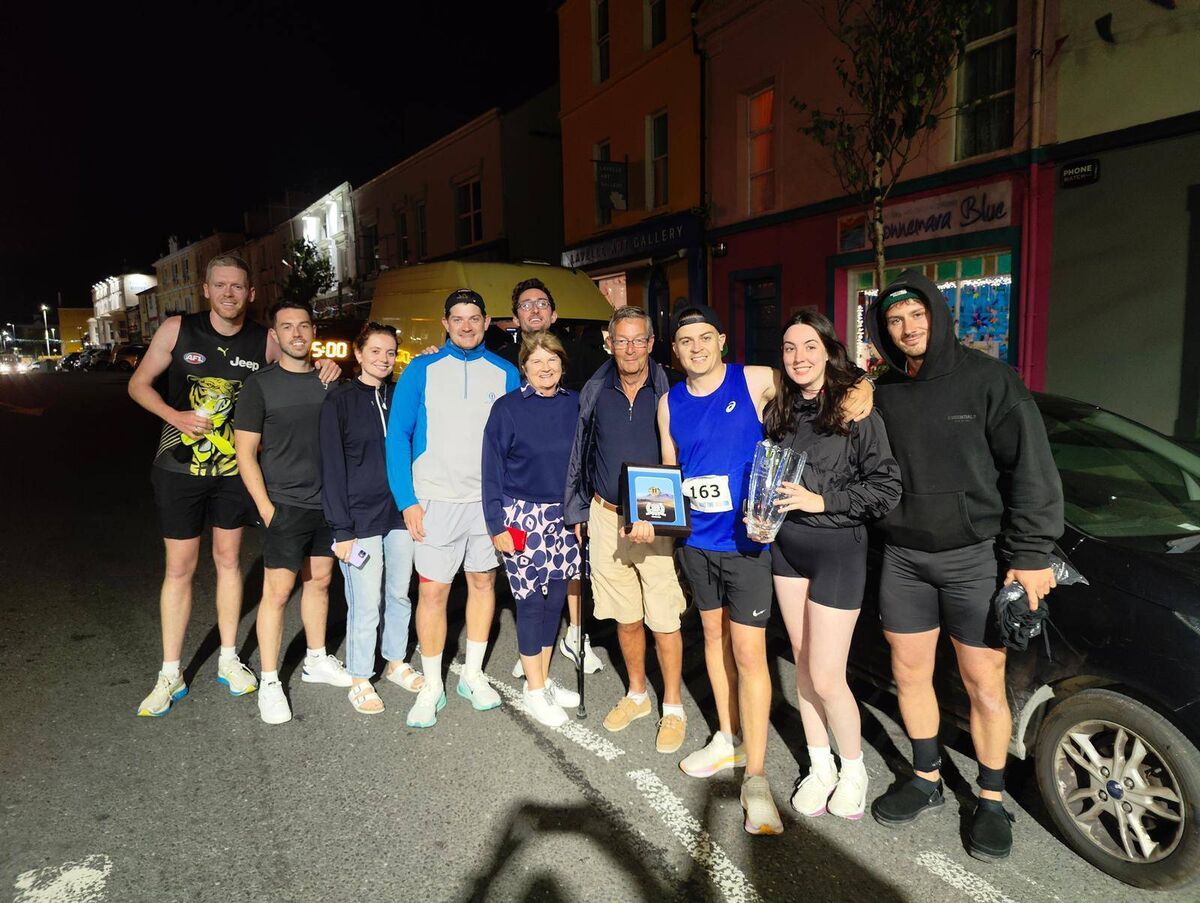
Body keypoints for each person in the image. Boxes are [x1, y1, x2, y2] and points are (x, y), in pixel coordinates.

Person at [865, 271, 1063, 861]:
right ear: (884, 329)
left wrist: (1030, 555)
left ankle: (991, 798)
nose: (907, 329)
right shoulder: (885, 392)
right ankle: (927, 779)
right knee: (909, 675)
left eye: (917, 316)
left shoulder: (990, 381)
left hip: (972, 560)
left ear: (938, 314)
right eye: (895, 321)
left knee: (984, 686)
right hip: (903, 559)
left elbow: (1031, 470)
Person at [129, 255, 338, 718]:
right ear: (206, 289)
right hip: (178, 469)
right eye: (220, 285)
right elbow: (138, 385)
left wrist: (326, 366)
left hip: (233, 475)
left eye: (237, 286)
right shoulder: (178, 330)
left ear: (250, 292)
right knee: (180, 568)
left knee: (228, 562)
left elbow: (294, 364)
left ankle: (228, 659)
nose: (228, 293)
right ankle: (170, 672)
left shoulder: (262, 338)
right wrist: (174, 415)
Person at [763, 310, 902, 821]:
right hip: (786, 550)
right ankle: (819, 766)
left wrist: (820, 501)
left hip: (838, 550)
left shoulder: (854, 408)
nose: (798, 358)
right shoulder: (779, 409)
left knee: (826, 673)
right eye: (789, 348)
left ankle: (854, 767)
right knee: (802, 665)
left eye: (809, 347)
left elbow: (886, 488)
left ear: (828, 350)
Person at [386, 289, 520, 728]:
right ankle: (432, 684)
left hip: (486, 502)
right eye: (457, 318)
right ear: (445, 323)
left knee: (483, 584)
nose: (466, 325)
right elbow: (398, 438)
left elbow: (516, 442)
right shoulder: (421, 370)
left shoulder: (505, 372)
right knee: (432, 592)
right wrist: (407, 500)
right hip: (434, 501)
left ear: (486, 322)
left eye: (474, 318)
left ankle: (473, 676)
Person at [563, 305, 690, 756]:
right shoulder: (595, 388)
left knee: (664, 618)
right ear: (609, 343)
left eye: (639, 340)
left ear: (652, 344)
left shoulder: (671, 388)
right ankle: (637, 694)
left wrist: (658, 519)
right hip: (604, 515)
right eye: (622, 340)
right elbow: (580, 450)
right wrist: (577, 510)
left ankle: (672, 706)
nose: (631, 348)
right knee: (625, 615)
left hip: (654, 518)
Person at [234, 300, 352, 725]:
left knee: (319, 582)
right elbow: (244, 453)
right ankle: (269, 682)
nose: (297, 334)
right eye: (287, 327)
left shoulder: (330, 381)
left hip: (327, 505)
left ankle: (316, 659)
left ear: (312, 330)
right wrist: (266, 509)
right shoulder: (259, 385)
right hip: (284, 505)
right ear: (275, 335)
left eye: (304, 326)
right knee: (278, 593)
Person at [499, 277, 601, 676]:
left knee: (570, 571)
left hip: (568, 490)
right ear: (515, 318)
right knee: (531, 588)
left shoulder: (581, 355)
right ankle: (534, 654)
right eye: (526, 305)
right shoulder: (501, 358)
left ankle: (576, 634)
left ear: (554, 314)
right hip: (524, 492)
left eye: (542, 303)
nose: (535, 310)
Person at [319, 322, 423, 716]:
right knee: (364, 601)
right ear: (358, 354)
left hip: (398, 512)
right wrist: (340, 529)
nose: (383, 359)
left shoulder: (399, 396)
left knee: (398, 593)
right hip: (358, 519)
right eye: (375, 351)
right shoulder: (339, 400)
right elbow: (331, 467)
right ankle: (360, 676)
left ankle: (395, 661)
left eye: (390, 352)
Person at [483, 332, 582, 727]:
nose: (546, 368)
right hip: (522, 517)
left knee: (556, 598)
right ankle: (536, 692)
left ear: (562, 363)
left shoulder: (575, 404)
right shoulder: (507, 409)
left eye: (552, 360)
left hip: (566, 515)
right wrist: (496, 525)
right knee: (530, 603)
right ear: (524, 367)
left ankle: (538, 677)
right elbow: (490, 471)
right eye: (537, 361)